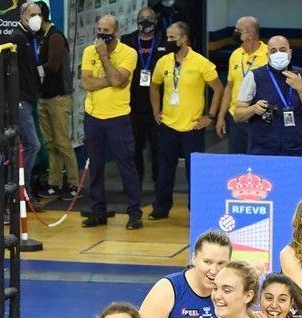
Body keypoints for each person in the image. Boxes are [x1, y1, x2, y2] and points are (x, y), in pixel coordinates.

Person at [149, 21, 222, 219]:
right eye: (167, 37)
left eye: (172, 37)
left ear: (184, 38)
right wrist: (156, 111)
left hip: (192, 126)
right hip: (168, 125)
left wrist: (210, 116)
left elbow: (218, 89)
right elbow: (154, 86)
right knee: (164, 169)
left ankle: (196, 210)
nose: (168, 40)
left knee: (195, 172)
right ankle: (161, 207)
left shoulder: (201, 62)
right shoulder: (163, 61)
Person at [81, 15, 143, 230]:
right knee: (95, 167)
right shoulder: (89, 51)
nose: (101, 33)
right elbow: (87, 83)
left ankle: (134, 213)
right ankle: (98, 211)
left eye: (106, 30)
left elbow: (119, 81)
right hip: (93, 116)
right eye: (99, 28)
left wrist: (105, 58)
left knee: (126, 166)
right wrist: (110, 80)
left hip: (118, 118)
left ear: (115, 31)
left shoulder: (129, 53)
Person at [138, 229, 232, 318]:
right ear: (194, 258)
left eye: (221, 264)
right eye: (207, 262)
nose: (214, 270)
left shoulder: (232, 292)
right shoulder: (169, 288)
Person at [234, 35, 302, 157]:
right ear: (268, 55)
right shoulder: (254, 76)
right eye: (273, 51)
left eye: (283, 50)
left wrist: (300, 89)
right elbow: (237, 115)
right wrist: (252, 109)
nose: (278, 53)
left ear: (290, 53)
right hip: (262, 150)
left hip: (293, 149)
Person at [36, 2, 80, 200]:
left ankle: (73, 184)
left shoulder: (55, 36)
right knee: (50, 143)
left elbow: (53, 66)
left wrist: (34, 70)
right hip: (44, 97)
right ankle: (55, 182)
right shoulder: (41, 37)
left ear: (41, 16)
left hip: (59, 97)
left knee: (63, 143)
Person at [121, 8, 167, 189]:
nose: (145, 21)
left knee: (159, 148)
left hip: (159, 107)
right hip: (132, 105)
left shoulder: (164, 40)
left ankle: (160, 184)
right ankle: (134, 184)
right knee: (134, 148)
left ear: (156, 21)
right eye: (142, 18)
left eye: (149, 18)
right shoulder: (127, 41)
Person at [215, 17, 267, 153]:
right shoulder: (235, 55)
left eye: (239, 30)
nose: (235, 32)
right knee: (237, 162)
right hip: (236, 118)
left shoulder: (269, 55)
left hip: (259, 118)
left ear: (250, 35)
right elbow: (229, 87)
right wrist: (221, 117)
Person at [10, 3, 43, 198]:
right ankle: (22, 192)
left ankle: (21, 191)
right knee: (32, 145)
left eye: (39, 14)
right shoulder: (18, 38)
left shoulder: (31, 38)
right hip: (19, 100)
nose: (36, 18)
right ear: (22, 16)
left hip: (29, 99)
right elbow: (6, 69)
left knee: (24, 147)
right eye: (32, 14)